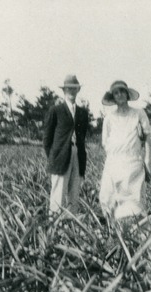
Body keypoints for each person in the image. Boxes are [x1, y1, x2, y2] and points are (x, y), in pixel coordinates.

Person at [99, 80, 151, 221]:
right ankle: (113, 231)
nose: (120, 95)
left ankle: (134, 231)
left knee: (133, 199)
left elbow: (147, 137)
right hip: (114, 162)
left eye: (122, 91)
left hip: (133, 161)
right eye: (116, 93)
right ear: (113, 97)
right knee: (108, 196)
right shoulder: (109, 118)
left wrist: (147, 159)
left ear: (127, 94)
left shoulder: (139, 113)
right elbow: (105, 142)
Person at [43, 74, 89, 215]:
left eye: (74, 88)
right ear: (64, 90)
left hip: (77, 154)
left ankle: (71, 226)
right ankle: (55, 226)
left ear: (78, 90)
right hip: (60, 156)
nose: (71, 91)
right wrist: (54, 157)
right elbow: (47, 139)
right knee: (58, 194)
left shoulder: (82, 113)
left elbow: (83, 137)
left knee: (74, 193)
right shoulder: (56, 110)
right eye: (69, 88)